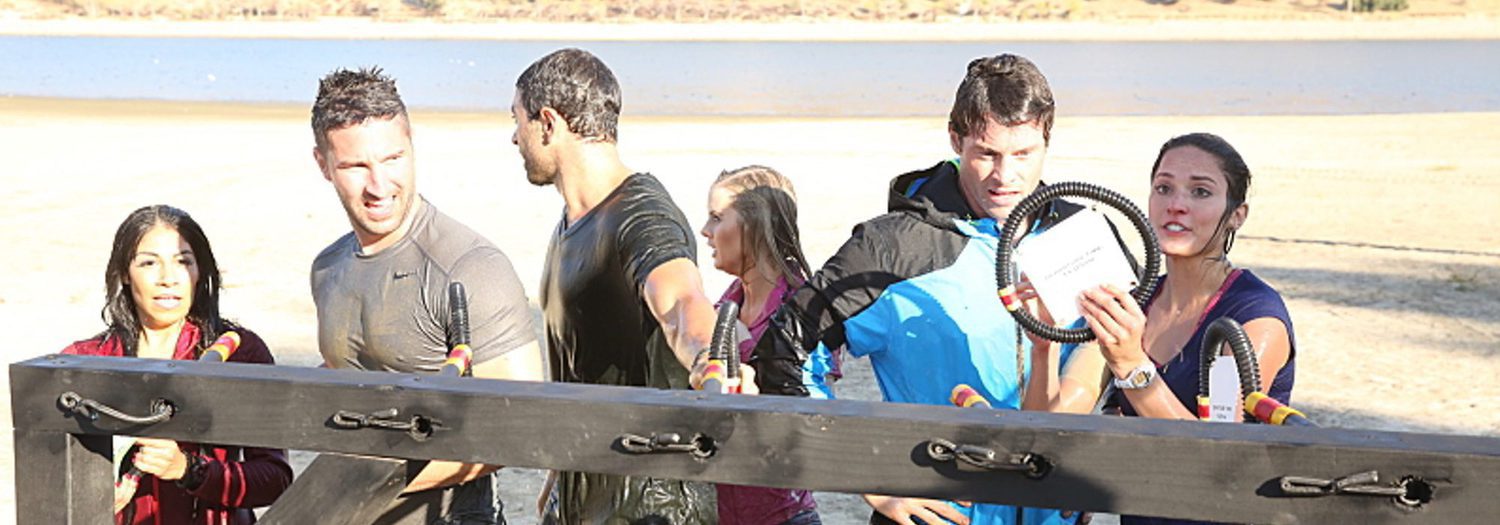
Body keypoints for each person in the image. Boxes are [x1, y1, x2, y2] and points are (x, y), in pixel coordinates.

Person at [744, 54, 1079, 525]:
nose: (1005, 176)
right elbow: (782, 355)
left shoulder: (1081, 235)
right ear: (956, 139)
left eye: (1023, 154)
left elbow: (1127, 366)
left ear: (1047, 140)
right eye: (987, 154)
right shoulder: (890, 247)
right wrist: (861, 472)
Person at [510, 48, 750, 524]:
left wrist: (709, 358)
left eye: (517, 120)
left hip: (655, 506)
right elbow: (579, 366)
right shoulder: (572, 223)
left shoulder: (643, 214)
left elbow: (680, 300)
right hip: (587, 495)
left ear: (549, 123)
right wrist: (562, 472)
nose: (514, 137)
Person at [309, 67, 546, 524]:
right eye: (356, 166)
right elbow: (343, 378)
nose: (379, 186)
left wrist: (367, 487)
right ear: (323, 164)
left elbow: (518, 427)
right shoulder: (328, 268)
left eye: (392, 159)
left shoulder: (471, 268)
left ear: (412, 145)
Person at [1027, 133, 1295, 525]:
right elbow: (1048, 427)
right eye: (1164, 188)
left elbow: (1216, 460)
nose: (1176, 205)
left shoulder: (1255, 316)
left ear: (1237, 214)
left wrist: (1133, 366)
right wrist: (1044, 345)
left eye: (1200, 192)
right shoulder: (1138, 300)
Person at [62, 205, 293, 524]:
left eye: (183, 262)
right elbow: (50, 474)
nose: (168, 279)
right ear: (125, 274)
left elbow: (275, 479)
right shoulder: (86, 360)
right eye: (149, 263)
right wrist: (93, 495)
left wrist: (189, 470)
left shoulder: (240, 353)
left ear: (200, 272)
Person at [700, 165, 823, 525]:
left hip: (783, 514)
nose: (705, 231)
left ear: (756, 225)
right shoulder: (724, 305)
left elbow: (817, 416)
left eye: (716, 218)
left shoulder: (806, 310)